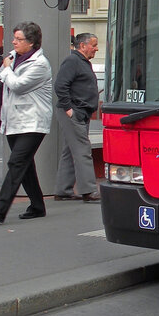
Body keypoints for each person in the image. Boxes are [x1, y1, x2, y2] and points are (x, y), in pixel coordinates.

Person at [0, 21, 53, 222]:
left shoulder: (40, 64)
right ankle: (37, 206)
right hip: (13, 120)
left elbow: (18, 86)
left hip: (33, 121)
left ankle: (0, 209)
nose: (14, 42)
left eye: (19, 39)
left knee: (16, 162)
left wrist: (6, 69)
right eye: (14, 38)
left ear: (31, 43)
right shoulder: (13, 58)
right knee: (25, 165)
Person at [53, 33, 100, 202]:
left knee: (69, 150)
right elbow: (60, 85)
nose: (96, 48)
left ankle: (63, 190)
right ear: (82, 46)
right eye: (93, 45)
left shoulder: (79, 62)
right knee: (82, 150)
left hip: (79, 111)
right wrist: (69, 109)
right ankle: (88, 190)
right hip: (75, 112)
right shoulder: (73, 61)